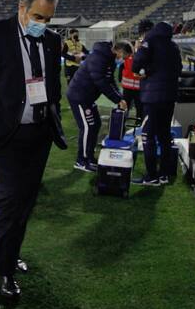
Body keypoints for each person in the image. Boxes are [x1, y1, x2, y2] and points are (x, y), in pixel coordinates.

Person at [0, 0, 67, 300]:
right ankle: (6, 273)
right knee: (10, 202)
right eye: (38, 16)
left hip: (39, 137)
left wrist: (52, 120)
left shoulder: (52, 41)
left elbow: (52, 86)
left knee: (26, 202)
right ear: (21, 8)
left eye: (48, 19)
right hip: (6, 138)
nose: (43, 24)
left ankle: (12, 254)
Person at [66, 41, 131, 173]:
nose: (123, 59)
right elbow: (101, 82)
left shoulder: (109, 59)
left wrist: (120, 97)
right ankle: (81, 160)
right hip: (79, 96)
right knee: (87, 127)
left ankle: (89, 157)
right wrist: (118, 99)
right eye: (123, 55)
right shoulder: (98, 57)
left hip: (88, 97)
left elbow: (110, 80)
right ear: (118, 50)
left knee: (95, 124)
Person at [132, 21, 183, 186]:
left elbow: (136, 64)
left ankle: (152, 175)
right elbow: (178, 69)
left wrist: (146, 71)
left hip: (152, 98)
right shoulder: (174, 47)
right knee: (164, 135)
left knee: (147, 135)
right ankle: (164, 174)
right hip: (169, 97)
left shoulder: (149, 41)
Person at [118, 44, 142, 121]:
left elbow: (119, 77)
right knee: (137, 108)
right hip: (132, 89)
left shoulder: (126, 62)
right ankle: (121, 123)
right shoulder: (130, 57)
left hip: (134, 89)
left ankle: (138, 125)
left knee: (138, 109)